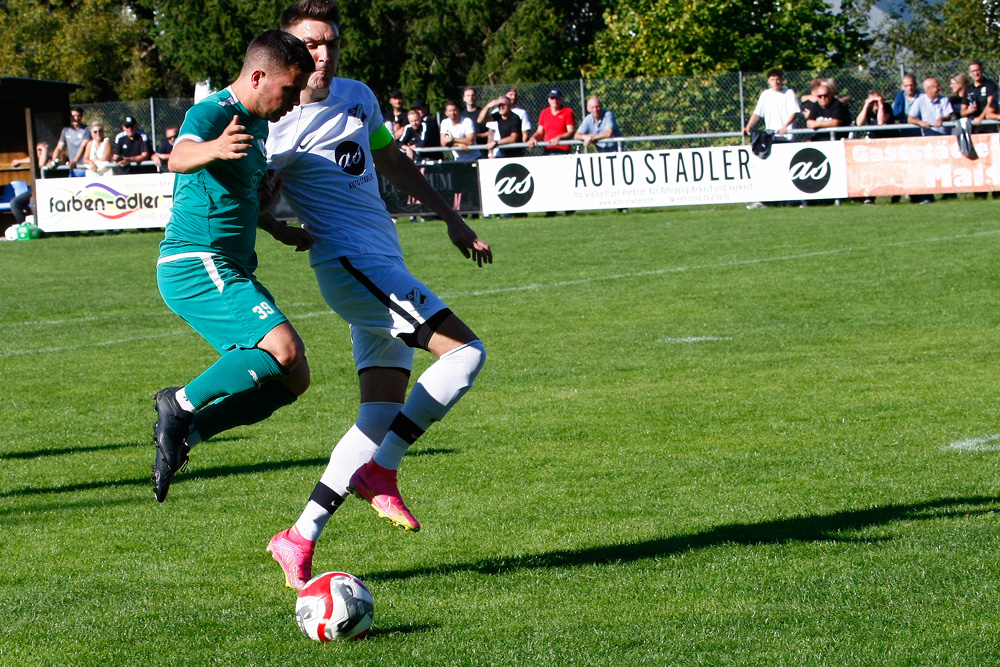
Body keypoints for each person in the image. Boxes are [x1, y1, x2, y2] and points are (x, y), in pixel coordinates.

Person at [263, 0, 491, 590]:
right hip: (350, 266)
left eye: (332, 42)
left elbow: (391, 160)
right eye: (311, 44)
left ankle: (299, 537)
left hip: (381, 259)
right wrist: (277, 228)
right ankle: (381, 472)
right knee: (465, 355)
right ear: (286, 51)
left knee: (379, 412)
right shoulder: (276, 129)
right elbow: (249, 201)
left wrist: (450, 218)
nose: (324, 54)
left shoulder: (359, 97)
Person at [150, 30, 316, 504]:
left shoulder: (256, 123)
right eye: (289, 90)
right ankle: (177, 404)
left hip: (230, 265)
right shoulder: (213, 115)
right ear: (259, 76)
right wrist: (214, 148)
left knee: (294, 377)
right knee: (283, 349)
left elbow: (236, 198)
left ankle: (188, 435)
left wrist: (279, 226)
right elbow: (179, 157)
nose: (292, 103)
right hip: (195, 261)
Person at [742, 69, 800, 141]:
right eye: (772, 79)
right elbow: (757, 113)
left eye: (777, 79)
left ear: (782, 80)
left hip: (787, 136)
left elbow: (794, 113)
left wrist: (785, 127)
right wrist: (748, 127)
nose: (775, 82)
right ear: (768, 81)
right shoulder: (765, 94)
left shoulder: (789, 93)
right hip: (770, 136)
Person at [854, 91, 891, 205]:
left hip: (887, 143)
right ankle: (870, 197)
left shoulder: (887, 108)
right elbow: (859, 122)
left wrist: (880, 105)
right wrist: (866, 105)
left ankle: (896, 195)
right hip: (873, 146)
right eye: (872, 102)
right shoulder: (868, 109)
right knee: (871, 171)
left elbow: (881, 122)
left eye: (876, 101)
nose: (874, 104)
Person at [527, 89, 576, 154]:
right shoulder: (544, 112)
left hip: (563, 150)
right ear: (549, 100)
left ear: (561, 99)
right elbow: (539, 132)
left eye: (557, 98)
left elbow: (571, 132)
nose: (555, 100)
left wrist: (558, 138)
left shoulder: (568, 112)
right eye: (552, 98)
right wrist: (533, 138)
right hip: (548, 150)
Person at [48, 107, 89, 176]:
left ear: (82, 117)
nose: (76, 118)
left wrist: (75, 161)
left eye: (78, 116)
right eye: (73, 116)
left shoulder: (87, 130)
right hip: (73, 170)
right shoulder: (65, 131)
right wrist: (53, 161)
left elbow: (82, 146)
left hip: (86, 169)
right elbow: (59, 148)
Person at [962, 61, 997, 129]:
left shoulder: (990, 85)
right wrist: (968, 111)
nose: (976, 73)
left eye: (978, 70)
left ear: (982, 70)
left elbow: (990, 103)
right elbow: (962, 112)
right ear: (970, 73)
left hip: (987, 125)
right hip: (973, 127)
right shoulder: (968, 89)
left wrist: (981, 117)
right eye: (973, 71)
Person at [460, 86, 489, 158]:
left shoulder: (483, 113)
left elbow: (492, 132)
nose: (471, 97)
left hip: (483, 151)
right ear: (464, 98)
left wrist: (478, 135)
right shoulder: (461, 116)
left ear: (476, 97)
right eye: (468, 95)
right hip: (467, 153)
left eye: (473, 95)